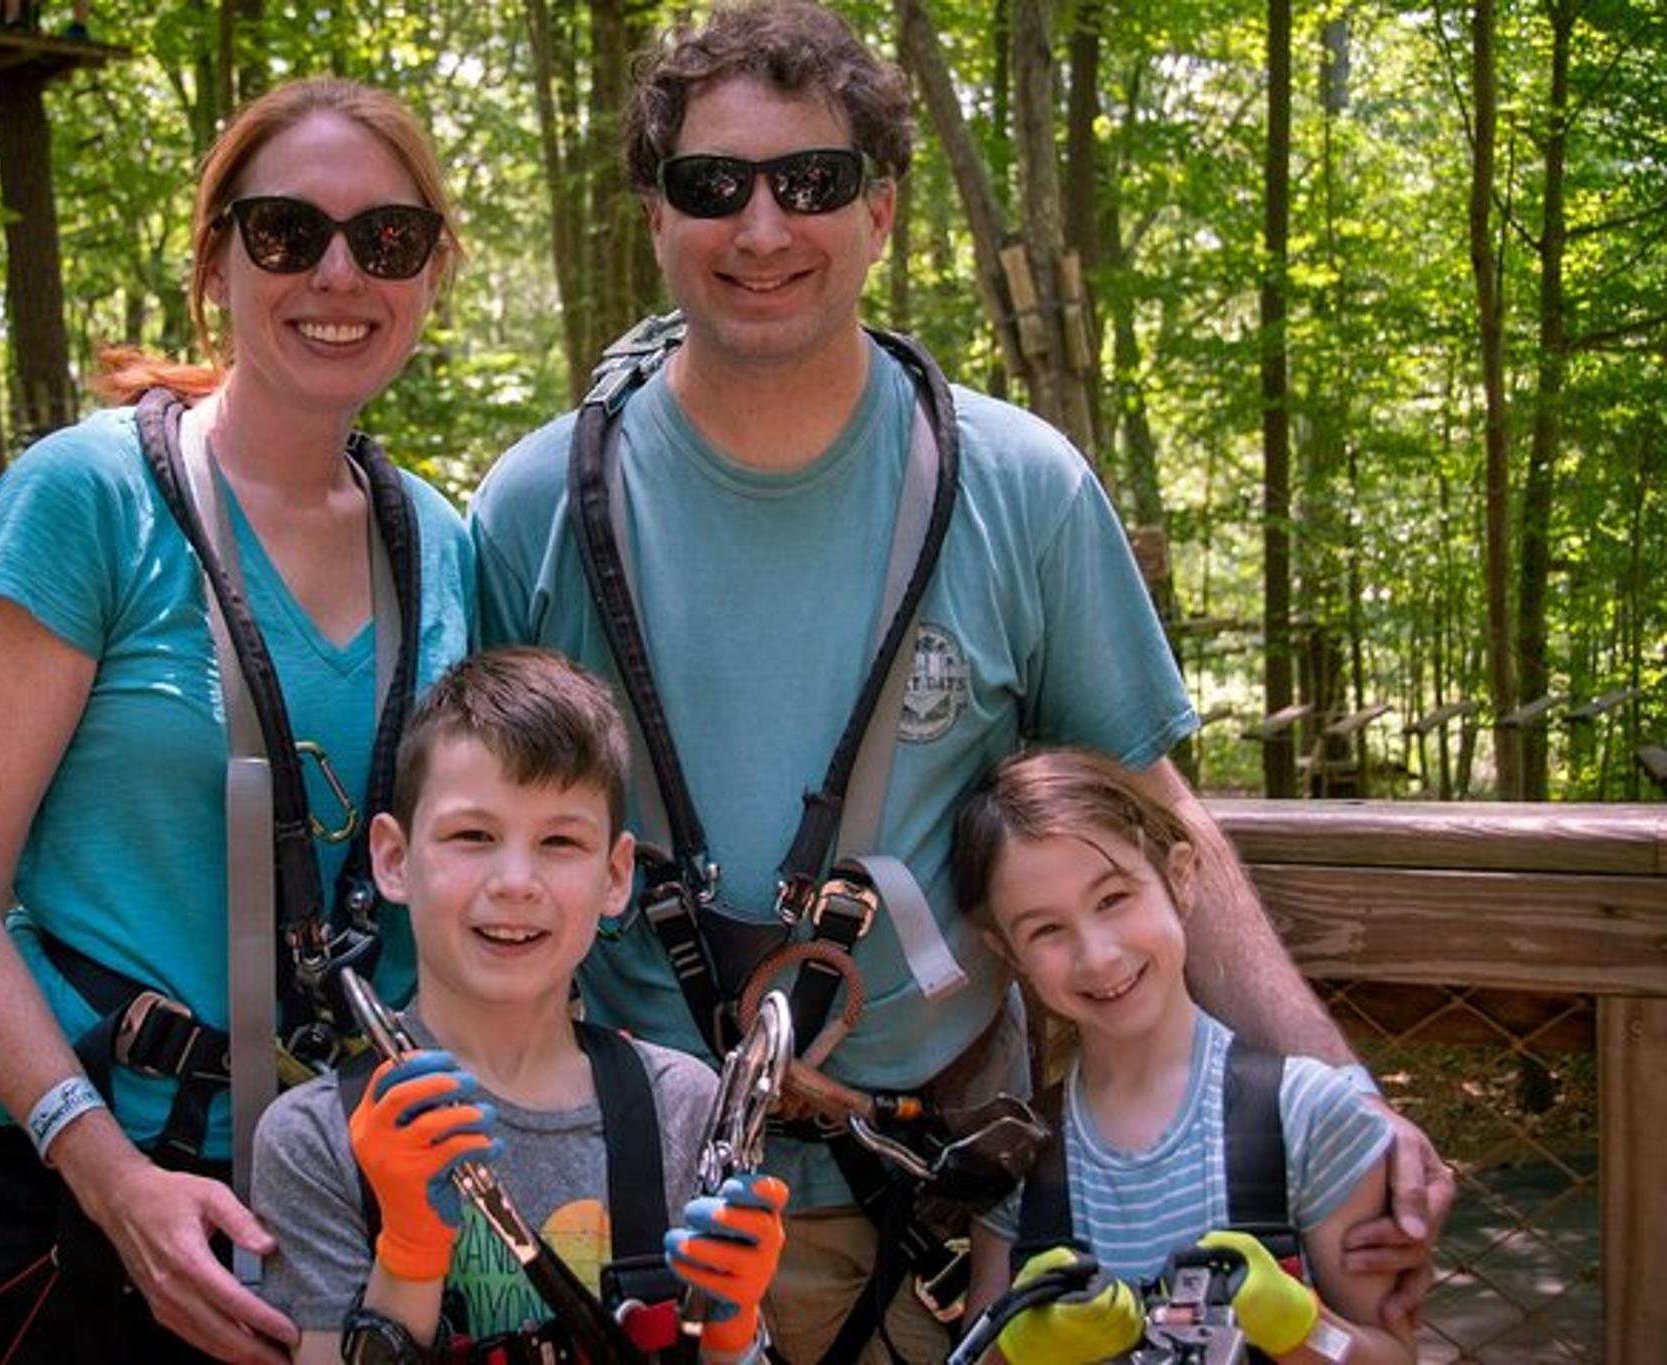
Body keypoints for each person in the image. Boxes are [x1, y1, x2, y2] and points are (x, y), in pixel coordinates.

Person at [469, 2, 1450, 1359]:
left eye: (811, 182)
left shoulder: (1016, 487)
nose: (763, 230)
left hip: (937, 1211)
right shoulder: (538, 508)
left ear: (880, 213)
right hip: (621, 1210)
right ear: (657, 217)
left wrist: (1345, 1112)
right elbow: (457, 868)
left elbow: (1163, 828)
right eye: (714, 187)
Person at [0, 77, 475, 1364]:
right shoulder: (87, 501)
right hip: (62, 1192)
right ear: (215, 261)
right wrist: (107, 1179)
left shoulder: (442, 545)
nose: (337, 274)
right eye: (285, 233)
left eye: (386, 240)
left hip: (344, 1190)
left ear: (431, 274)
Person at [252, 647, 790, 1363]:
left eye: (560, 840)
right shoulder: (314, 1139)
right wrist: (408, 1249)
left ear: (616, 873)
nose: (515, 880)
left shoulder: (682, 1106)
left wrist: (732, 1330)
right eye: (472, 834)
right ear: (392, 857)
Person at [952, 749, 1413, 1364]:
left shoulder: (1309, 1116)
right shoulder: (1018, 1153)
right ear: (1007, 950)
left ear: (1182, 876)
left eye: (1113, 899)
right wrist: (1019, 1349)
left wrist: (1303, 1328)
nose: (1099, 956)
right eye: (1046, 930)